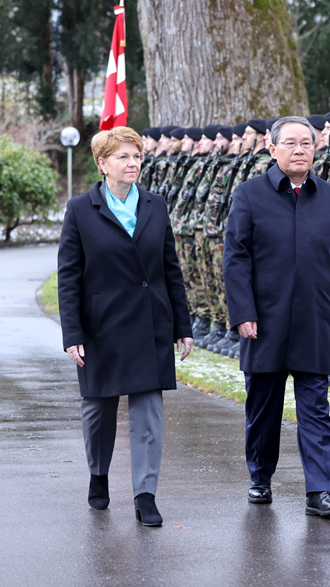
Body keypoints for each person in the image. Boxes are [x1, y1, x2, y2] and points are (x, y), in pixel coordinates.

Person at [223, 116, 330, 517]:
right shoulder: (249, 195)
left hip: (313, 321)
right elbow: (235, 259)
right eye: (291, 143)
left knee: (315, 408)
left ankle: (320, 491)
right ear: (272, 148)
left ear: (316, 150)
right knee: (263, 407)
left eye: (307, 143)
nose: (299, 150)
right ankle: (260, 477)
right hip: (263, 322)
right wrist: (242, 312)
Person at [58, 126, 194, 525]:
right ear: (103, 163)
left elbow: (171, 269)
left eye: (137, 156)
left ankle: (145, 494)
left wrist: (182, 326)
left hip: (151, 321)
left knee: (149, 412)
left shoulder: (156, 204)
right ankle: (98, 476)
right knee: (99, 411)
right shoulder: (81, 209)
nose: (133, 163)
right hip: (101, 325)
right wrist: (73, 334)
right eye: (123, 157)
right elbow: (69, 276)